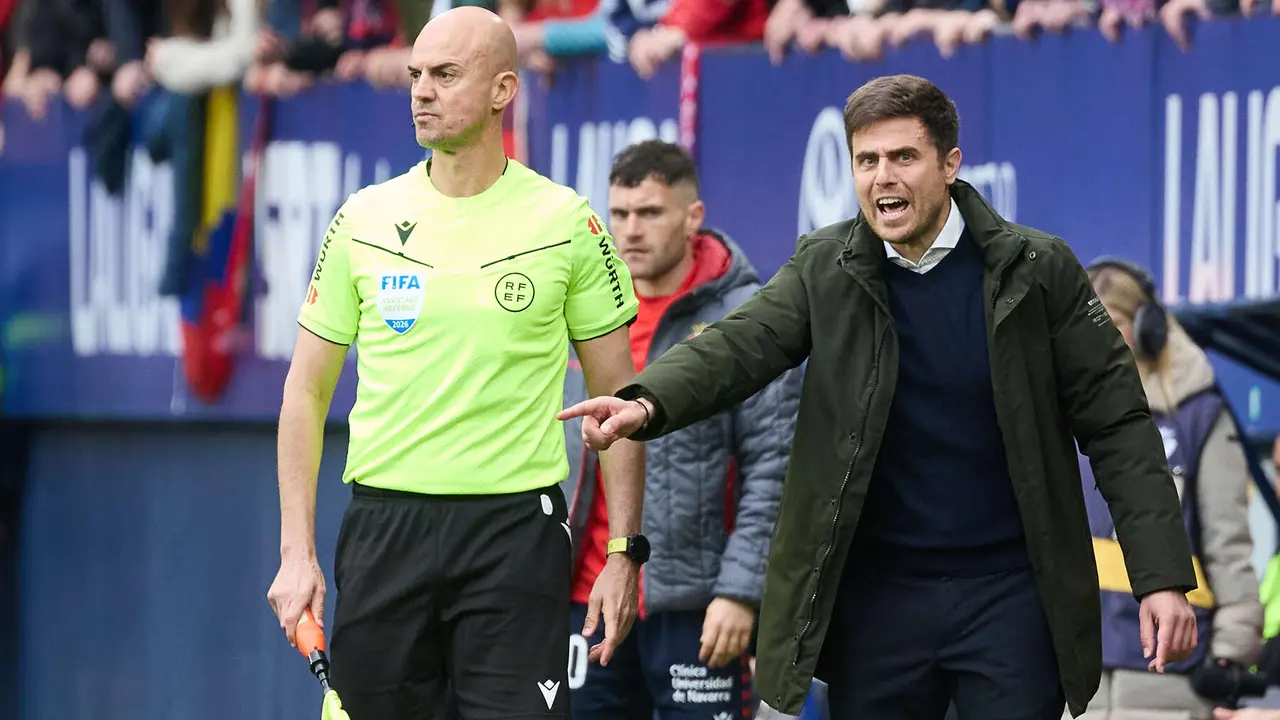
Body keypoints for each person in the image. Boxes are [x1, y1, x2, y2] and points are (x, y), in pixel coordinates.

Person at [558, 73, 1201, 720]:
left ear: (950, 164)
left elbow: (1118, 423)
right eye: (866, 160)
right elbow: (739, 343)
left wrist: (1161, 577)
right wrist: (646, 402)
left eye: (903, 157)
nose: (881, 177)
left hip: (1012, 595)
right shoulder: (824, 265)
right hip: (878, 601)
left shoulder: (1039, 269)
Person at [266, 8, 648, 719]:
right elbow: (306, 391)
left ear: (504, 90)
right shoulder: (363, 218)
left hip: (514, 535)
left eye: (445, 75)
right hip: (384, 531)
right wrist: (297, 552)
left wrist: (623, 551)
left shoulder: (567, 221)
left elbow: (617, 399)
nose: (422, 91)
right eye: (415, 75)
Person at [561, 140, 802, 720]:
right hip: (586, 600)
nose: (631, 230)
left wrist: (741, 593)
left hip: (698, 606)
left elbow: (775, 467)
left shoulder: (748, 317)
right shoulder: (584, 308)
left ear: (694, 217)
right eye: (619, 214)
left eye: (651, 213)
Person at [1072, 258, 1264, 720]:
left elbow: (1227, 539)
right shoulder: (1061, 409)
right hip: (1077, 673)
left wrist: (1229, 654)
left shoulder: (1198, 415)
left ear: (1149, 329)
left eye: (1111, 323)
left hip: (1168, 673)